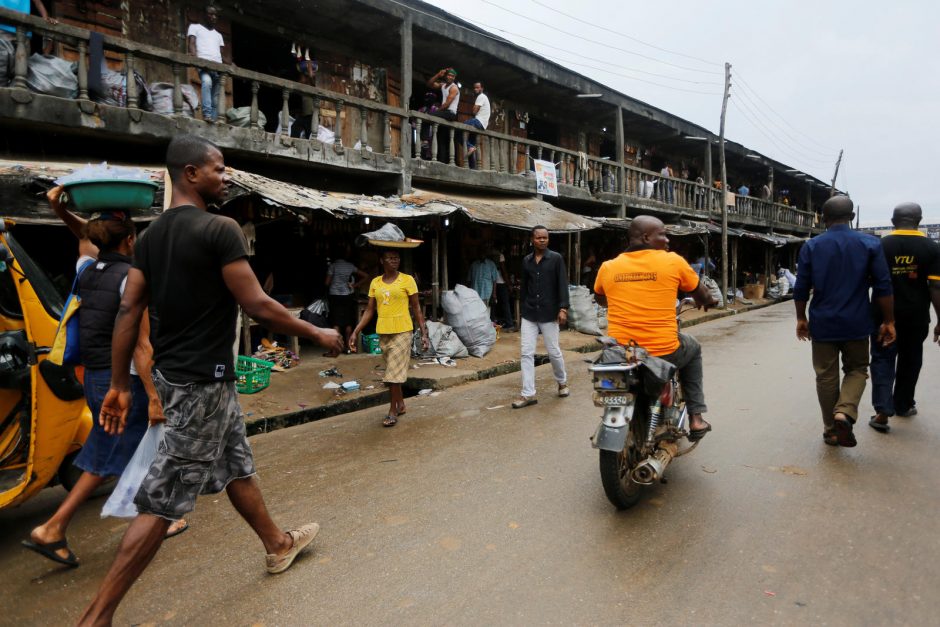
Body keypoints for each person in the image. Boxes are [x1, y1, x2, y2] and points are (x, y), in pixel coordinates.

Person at [77, 135, 343, 626]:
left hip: (181, 378)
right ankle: (97, 617)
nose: (226, 177)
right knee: (161, 502)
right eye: (219, 169)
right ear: (191, 174)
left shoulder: (151, 236)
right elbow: (256, 303)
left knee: (236, 462)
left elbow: (129, 307)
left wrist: (119, 381)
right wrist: (315, 331)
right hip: (202, 383)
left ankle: (277, 545)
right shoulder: (220, 229)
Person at [22, 196, 185, 568]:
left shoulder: (86, 270)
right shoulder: (131, 278)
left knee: (130, 447)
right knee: (105, 455)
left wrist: (60, 209)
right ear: (129, 241)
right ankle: (53, 526)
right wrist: (153, 396)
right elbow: (141, 346)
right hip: (123, 383)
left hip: (96, 379)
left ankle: (160, 514)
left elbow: (84, 236)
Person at [593, 216, 718, 440]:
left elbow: (601, 299)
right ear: (646, 237)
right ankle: (696, 418)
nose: (667, 239)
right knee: (694, 347)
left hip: (622, 352)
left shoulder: (608, 267)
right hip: (663, 350)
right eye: (662, 234)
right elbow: (702, 294)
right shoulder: (673, 261)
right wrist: (708, 301)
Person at [793, 195, 895, 448]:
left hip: (823, 322)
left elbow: (801, 287)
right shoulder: (870, 244)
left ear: (823, 218)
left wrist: (800, 318)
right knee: (858, 369)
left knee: (825, 376)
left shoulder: (812, 246)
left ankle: (831, 429)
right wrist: (889, 321)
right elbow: (883, 286)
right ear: (851, 218)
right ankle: (844, 412)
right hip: (858, 322)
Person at [868, 202, 940, 432]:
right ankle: (903, 404)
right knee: (911, 359)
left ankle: (882, 410)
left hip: (882, 316)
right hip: (916, 316)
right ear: (919, 220)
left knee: (882, 359)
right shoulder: (932, 248)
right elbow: (935, 287)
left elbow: (867, 282)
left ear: (892, 221)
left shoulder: (880, 246)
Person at [349, 249, 429, 427]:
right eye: (390, 258)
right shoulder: (375, 283)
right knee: (394, 372)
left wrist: (424, 333)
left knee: (392, 374)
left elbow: (416, 308)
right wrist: (356, 331)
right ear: (382, 261)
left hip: (403, 330)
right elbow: (370, 310)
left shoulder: (407, 280)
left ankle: (392, 411)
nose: (394, 261)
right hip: (383, 332)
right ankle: (400, 404)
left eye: (397, 258)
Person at [512, 226, 569, 409]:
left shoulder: (556, 259)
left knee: (553, 351)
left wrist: (563, 308)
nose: (542, 240)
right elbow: (524, 286)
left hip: (549, 313)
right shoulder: (526, 261)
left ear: (548, 239)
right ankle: (528, 394)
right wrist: (521, 310)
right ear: (532, 240)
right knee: (526, 353)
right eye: (538, 238)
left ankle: (562, 382)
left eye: (545, 237)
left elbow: (562, 284)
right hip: (529, 313)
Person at [324, 244, 368, 357]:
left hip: (335, 295)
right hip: (347, 295)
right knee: (347, 320)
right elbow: (366, 276)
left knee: (336, 321)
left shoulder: (333, 266)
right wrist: (354, 285)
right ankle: (349, 347)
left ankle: (335, 349)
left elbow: (327, 283)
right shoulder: (350, 266)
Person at [187, 5, 228, 122]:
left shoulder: (218, 35)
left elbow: (221, 54)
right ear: (204, 15)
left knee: (216, 97)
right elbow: (192, 44)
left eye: (215, 15)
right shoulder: (195, 27)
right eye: (210, 14)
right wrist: (195, 57)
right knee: (206, 82)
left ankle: (213, 119)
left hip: (218, 67)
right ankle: (207, 115)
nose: (213, 17)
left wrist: (231, 63)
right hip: (203, 64)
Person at [0, 0, 55, 86]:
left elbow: (38, 2)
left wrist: (45, 19)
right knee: (1, 71)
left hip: (23, 33)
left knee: (20, 73)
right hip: (3, 28)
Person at [426, 67, 460, 161]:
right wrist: (438, 75)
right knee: (441, 139)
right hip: (445, 112)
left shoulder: (454, 88)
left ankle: (424, 139)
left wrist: (437, 111)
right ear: (446, 76)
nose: (451, 77)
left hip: (450, 113)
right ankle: (442, 161)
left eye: (453, 76)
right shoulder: (443, 85)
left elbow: (447, 104)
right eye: (449, 75)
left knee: (429, 115)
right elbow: (429, 84)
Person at [290, 53, 317, 139]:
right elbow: (299, 82)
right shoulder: (303, 88)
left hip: (312, 115)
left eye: (302, 78)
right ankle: (294, 143)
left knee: (309, 134)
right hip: (304, 115)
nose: (301, 80)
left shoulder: (311, 85)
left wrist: (309, 67)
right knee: (294, 127)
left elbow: (311, 77)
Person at [465, 81, 490, 169]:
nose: (475, 89)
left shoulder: (481, 96)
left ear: (482, 89)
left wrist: (474, 109)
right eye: (475, 88)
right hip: (482, 124)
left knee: (462, 127)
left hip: (479, 122)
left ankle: (470, 147)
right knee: (472, 143)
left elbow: (474, 111)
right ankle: (473, 167)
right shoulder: (482, 97)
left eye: (478, 87)